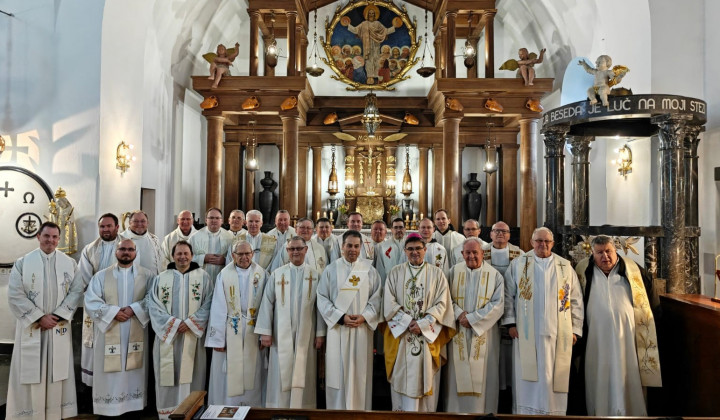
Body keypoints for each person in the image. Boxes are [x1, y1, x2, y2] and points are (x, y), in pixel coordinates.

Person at [574, 235, 660, 416]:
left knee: (628, 376)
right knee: (597, 377)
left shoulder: (633, 270)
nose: (605, 256)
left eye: (608, 251)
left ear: (616, 251)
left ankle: (631, 413)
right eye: (599, 253)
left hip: (628, 340)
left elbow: (651, 301)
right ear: (593, 254)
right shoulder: (583, 270)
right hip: (594, 341)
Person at [6, 222, 84, 420]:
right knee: (31, 370)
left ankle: (55, 413)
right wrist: (39, 317)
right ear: (38, 236)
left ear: (59, 239)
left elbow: (76, 290)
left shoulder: (69, 263)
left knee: (57, 371)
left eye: (55, 237)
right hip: (33, 327)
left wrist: (57, 315)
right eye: (47, 236)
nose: (51, 240)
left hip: (57, 326)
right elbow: (15, 294)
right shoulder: (23, 262)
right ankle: (30, 413)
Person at [503, 227, 584, 415]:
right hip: (526, 333)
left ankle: (554, 413)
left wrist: (575, 329)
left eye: (547, 241)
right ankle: (526, 413)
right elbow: (508, 295)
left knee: (553, 377)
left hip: (558, 334)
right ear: (531, 243)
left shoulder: (564, 266)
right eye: (539, 241)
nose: (543, 244)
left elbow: (575, 300)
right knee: (528, 379)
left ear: (553, 244)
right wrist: (511, 323)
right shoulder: (518, 264)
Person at [383, 233, 455, 412]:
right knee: (401, 377)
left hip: (427, 336)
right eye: (410, 249)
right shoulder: (395, 273)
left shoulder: (437, 274)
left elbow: (442, 303)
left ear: (425, 250)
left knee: (427, 379)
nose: (414, 252)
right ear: (405, 251)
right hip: (402, 336)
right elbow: (388, 303)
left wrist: (423, 324)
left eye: (418, 249)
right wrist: (408, 322)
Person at [84, 239, 153, 416]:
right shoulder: (100, 276)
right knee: (109, 374)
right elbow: (91, 300)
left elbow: (153, 299)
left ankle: (133, 408)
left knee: (134, 371)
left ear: (136, 253)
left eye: (130, 249)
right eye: (122, 249)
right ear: (116, 252)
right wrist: (113, 312)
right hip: (109, 331)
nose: (126, 252)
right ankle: (108, 409)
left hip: (135, 329)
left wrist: (133, 309)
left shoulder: (148, 275)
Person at [146, 240, 214, 418]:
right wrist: (174, 324)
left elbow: (209, 304)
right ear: (173, 255)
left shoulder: (203, 277)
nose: (182, 257)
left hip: (193, 336)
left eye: (186, 253)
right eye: (179, 253)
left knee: (193, 375)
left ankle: (192, 411)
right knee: (168, 376)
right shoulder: (161, 278)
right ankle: (169, 414)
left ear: (192, 256)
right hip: (169, 337)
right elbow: (153, 305)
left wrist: (191, 323)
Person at [255, 237, 325, 408]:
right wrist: (265, 332)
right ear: (286, 251)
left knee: (305, 368)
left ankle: (304, 407)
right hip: (280, 332)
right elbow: (267, 303)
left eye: (299, 248)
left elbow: (321, 307)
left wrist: (320, 333)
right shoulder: (277, 274)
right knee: (281, 369)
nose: (295, 252)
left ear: (306, 250)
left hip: (307, 332)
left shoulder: (315, 275)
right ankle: (279, 406)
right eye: (292, 249)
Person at [317, 230, 383, 410]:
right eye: (349, 245)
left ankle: (360, 413)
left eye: (356, 246)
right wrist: (340, 318)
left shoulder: (369, 270)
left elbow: (377, 298)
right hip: (338, 330)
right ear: (342, 246)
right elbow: (322, 298)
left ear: (361, 247)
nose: (352, 250)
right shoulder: (331, 270)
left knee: (359, 374)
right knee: (337, 374)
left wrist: (365, 316)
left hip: (362, 331)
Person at [206, 241, 269, 407]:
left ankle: (253, 407)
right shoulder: (224, 274)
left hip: (253, 329)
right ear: (233, 255)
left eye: (247, 253)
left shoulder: (261, 274)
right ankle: (227, 407)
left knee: (253, 370)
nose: (244, 257)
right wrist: (218, 339)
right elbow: (218, 306)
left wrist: (264, 332)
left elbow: (267, 305)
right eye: (240, 254)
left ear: (252, 254)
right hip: (230, 330)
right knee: (227, 371)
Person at [445, 238, 504, 413]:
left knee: (484, 377)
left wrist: (473, 318)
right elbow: (445, 298)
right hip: (458, 331)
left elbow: (498, 304)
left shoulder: (495, 275)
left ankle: (483, 413)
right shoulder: (453, 272)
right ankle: (454, 413)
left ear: (482, 254)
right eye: (467, 253)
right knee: (456, 376)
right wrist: (458, 314)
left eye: (475, 252)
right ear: (462, 254)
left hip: (484, 333)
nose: (471, 256)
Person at [481, 220, 523, 403]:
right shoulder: (481, 253)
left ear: (509, 235)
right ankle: (492, 385)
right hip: (487, 307)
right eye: (496, 231)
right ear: (490, 234)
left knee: (508, 352)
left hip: (511, 306)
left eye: (504, 231)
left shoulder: (519, 255)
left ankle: (508, 387)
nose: (500, 234)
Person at [77, 213, 121, 387]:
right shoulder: (89, 249)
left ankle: (116, 384)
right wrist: (97, 298)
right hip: (95, 305)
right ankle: (93, 387)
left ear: (117, 227)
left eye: (109, 226)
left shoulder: (126, 246)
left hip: (118, 303)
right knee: (94, 346)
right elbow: (83, 278)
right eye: (102, 226)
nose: (105, 229)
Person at [342, 5, 400, 85]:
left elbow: (385, 31)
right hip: (367, 45)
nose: (371, 15)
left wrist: (394, 27)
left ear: (375, 14)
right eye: (370, 13)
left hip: (376, 45)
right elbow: (356, 30)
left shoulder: (377, 23)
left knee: (376, 59)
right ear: (367, 14)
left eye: (373, 13)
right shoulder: (364, 24)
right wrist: (348, 24)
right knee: (368, 60)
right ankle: (369, 77)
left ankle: (376, 76)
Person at [189, 208, 233, 280]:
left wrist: (225, 260)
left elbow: (236, 260)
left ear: (221, 221)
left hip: (222, 279)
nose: (214, 221)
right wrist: (202, 258)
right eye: (211, 218)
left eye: (217, 218)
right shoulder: (194, 237)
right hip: (200, 279)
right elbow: (187, 258)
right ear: (206, 220)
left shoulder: (230, 238)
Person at [121, 210, 164, 275]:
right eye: (136, 221)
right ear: (130, 222)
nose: (139, 224)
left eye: (143, 221)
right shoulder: (120, 239)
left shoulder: (154, 239)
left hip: (152, 281)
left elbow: (160, 262)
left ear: (147, 223)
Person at [374, 217, 407, 282]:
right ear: (391, 229)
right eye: (395, 227)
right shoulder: (384, 246)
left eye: (401, 227)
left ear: (405, 229)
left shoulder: (410, 245)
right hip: (390, 282)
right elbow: (380, 268)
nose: (398, 230)